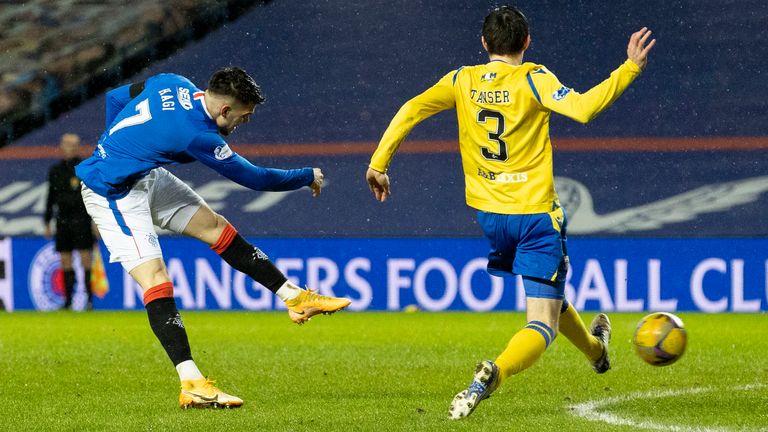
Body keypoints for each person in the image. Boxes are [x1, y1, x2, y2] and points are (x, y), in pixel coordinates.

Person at [366, 6, 655, 420]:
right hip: (535, 214)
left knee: (550, 289)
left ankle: (595, 352)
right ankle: (492, 374)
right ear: (526, 42)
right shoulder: (534, 79)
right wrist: (629, 68)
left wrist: (379, 162)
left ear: (484, 43)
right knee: (542, 324)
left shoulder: (462, 80)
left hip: (490, 216)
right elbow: (585, 108)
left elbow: (411, 108)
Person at [76, 67, 351, 409]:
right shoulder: (197, 135)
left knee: (216, 228)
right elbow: (256, 179)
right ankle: (191, 382)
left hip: (143, 175)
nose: (242, 124)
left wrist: (120, 147)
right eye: (243, 117)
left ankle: (294, 297)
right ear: (224, 110)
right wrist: (305, 174)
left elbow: (115, 98)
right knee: (157, 280)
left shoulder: (172, 82)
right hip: (111, 190)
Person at [44, 133, 96, 310]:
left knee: (85, 259)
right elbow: (50, 197)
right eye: (67, 144)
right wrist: (47, 221)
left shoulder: (84, 167)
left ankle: (89, 300)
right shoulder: (55, 170)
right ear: (61, 145)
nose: (70, 147)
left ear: (78, 146)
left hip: (82, 219)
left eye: (74, 144)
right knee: (65, 260)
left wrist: (95, 221)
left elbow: (94, 195)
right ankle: (68, 301)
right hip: (63, 220)